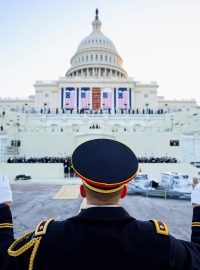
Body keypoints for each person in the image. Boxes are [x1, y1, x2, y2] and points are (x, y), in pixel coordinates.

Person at [0, 139, 200, 270]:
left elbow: (4, 257)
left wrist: (3, 208)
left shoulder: (46, 240)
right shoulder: (158, 242)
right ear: (123, 192)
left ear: (82, 192)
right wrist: (198, 209)